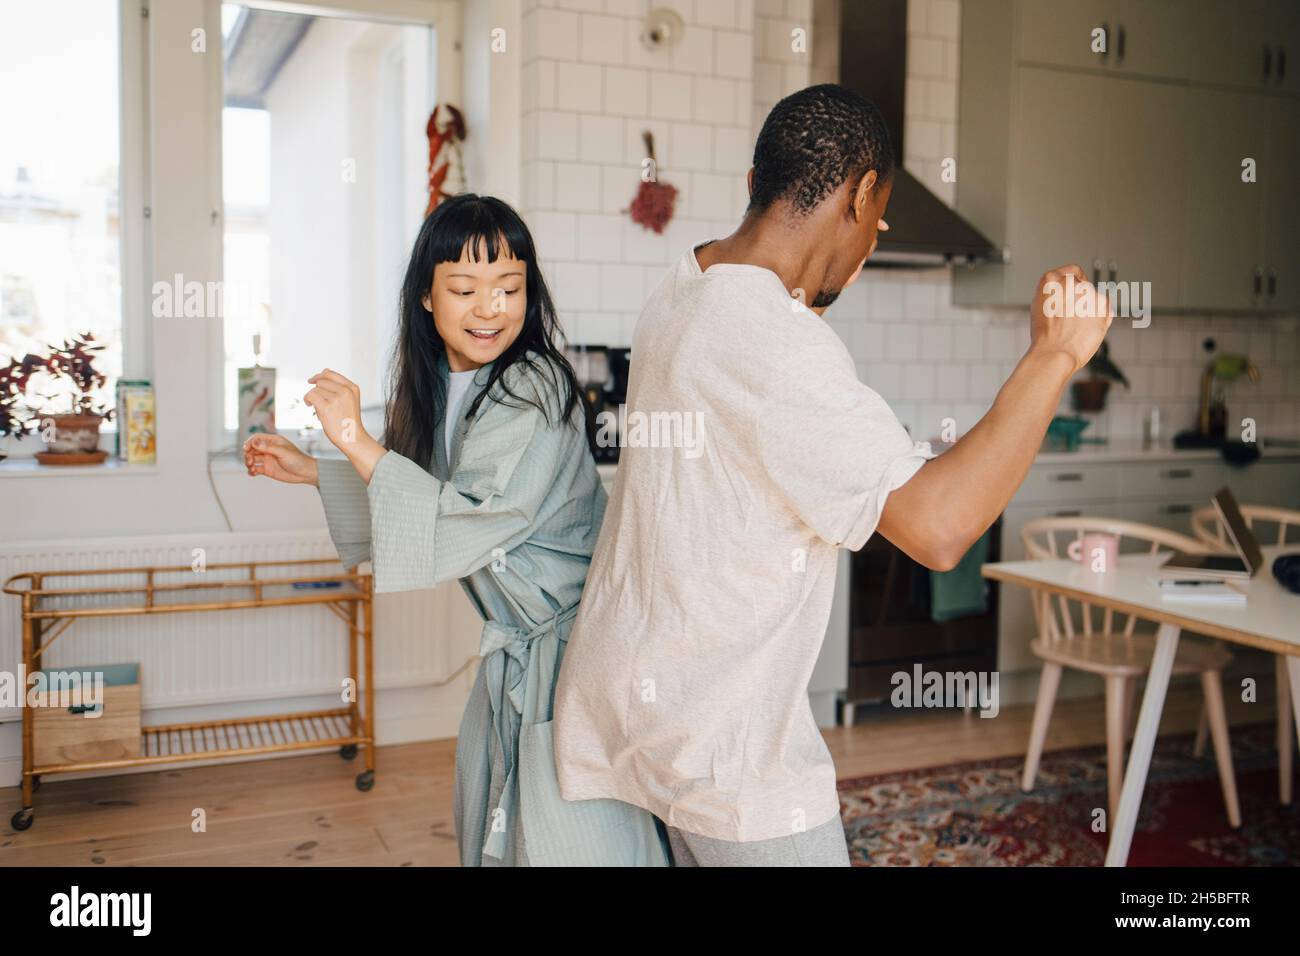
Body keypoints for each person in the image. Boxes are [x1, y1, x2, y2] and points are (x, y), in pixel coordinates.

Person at [551, 84, 1112, 866]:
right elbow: (940, 528)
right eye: (877, 220)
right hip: (724, 749)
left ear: (756, 184)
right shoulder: (777, 344)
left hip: (640, 705)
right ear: (856, 198)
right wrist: (1054, 356)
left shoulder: (686, 285)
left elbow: (770, 365)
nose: (874, 240)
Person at [243, 194, 670, 867]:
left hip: (572, 650)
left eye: (510, 288)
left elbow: (466, 520)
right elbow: (424, 490)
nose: (491, 308)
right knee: (491, 806)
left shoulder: (532, 389)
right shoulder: (448, 387)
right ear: (425, 297)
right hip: (520, 653)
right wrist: (317, 470)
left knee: (574, 837)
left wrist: (353, 437)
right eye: (465, 288)